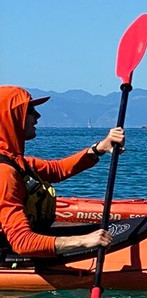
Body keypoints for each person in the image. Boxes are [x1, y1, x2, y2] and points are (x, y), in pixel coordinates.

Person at [0, 86, 125, 257]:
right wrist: (83, 240)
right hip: (10, 250)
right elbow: (22, 242)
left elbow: (57, 170)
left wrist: (99, 148)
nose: (37, 116)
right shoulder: (4, 173)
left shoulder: (18, 162)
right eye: (30, 110)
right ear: (12, 117)